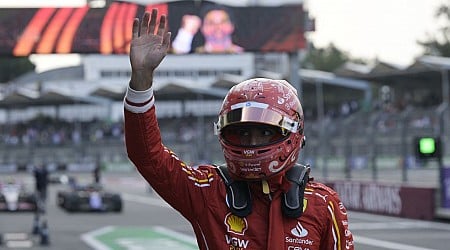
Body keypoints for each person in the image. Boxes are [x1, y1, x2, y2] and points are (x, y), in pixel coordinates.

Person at [124, 9, 354, 250]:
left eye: (265, 132)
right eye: (242, 132)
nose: (252, 143)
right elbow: (147, 155)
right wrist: (141, 80)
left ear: (293, 134)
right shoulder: (209, 192)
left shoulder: (322, 203)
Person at [171, 4, 244, 54]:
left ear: (232, 26)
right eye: (211, 23)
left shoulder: (243, 54)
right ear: (202, 28)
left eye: (223, 22)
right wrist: (186, 32)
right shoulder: (195, 54)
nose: (217, 27)